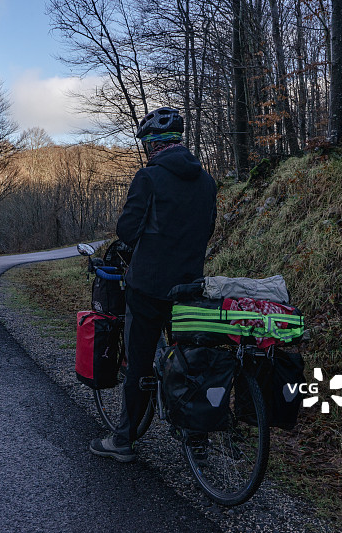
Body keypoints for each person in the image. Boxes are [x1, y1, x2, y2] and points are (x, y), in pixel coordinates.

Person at [89, 107, 217, 462]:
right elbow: (207, 230)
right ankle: (197, 436)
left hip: (148, 286)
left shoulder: (149, 178)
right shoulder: (207, 181)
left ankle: (124, 440)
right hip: (190, 286)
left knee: (140, 363)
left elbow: (128, 230)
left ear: (152, 145)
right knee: (190, 360)